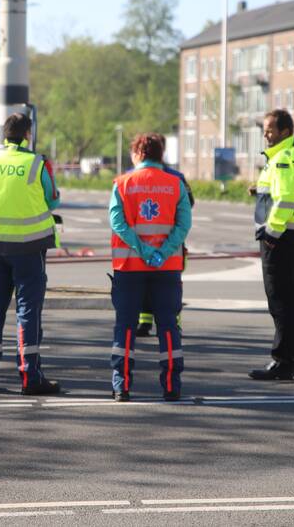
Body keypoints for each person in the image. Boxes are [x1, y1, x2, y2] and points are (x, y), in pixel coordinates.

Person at [0, 113, 61, 395]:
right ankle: (29, 377)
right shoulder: (37, 163)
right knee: (27, 312)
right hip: (29, 247)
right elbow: (53, 198)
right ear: (27, 134)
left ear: (4, 134)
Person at [109, 133, 192, 402]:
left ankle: (121, 385)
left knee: (126, 327)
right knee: (168, 326)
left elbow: (118, 224)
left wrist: (143, 251)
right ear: (161, 155)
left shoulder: (122, 184)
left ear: (137, 154)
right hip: (166, 268)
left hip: (129, 267)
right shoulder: (175, 184)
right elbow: (184, 226)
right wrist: (161, 252)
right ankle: (172, 385)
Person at [249, 110, 294, 381]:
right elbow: (284, 194)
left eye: (270, 130)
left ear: (285, 132)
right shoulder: (293, 155)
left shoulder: (283, 159)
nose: (266, 134)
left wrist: (271, 235)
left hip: (282, 238)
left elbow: (286, 200)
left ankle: (282, 361)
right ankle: (292, 357)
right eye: (265, 130)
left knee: (280, 302)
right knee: (293, 300)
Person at [136, 146, 195, 338]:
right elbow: (188, 206)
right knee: (167, 285)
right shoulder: (176, 178)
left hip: (146, 243)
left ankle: (168, 323)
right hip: (170, 243)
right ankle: (149, 322)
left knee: (161, 285)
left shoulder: (134, 177)